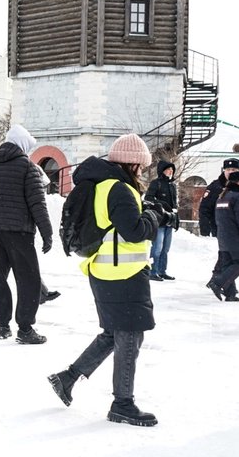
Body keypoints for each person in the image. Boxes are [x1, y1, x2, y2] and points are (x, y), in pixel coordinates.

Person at [47, 133, 170, 427]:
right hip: (122, 273)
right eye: (142, 165)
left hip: (106, 269)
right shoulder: (119, 190)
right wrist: (156, 216)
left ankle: (68, 378)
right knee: (130, 334)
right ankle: (122, 404)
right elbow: (134, 231)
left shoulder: (104, 185)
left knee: (115, 333)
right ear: (133, 164)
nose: (143, 171)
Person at [0, 124, 52, 344]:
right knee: (28, 279)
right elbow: (37, 203)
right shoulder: (27, 167)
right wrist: (47, 233)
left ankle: (2, 326)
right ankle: (25, 328)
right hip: (19, 231)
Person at [206, 171, 239, 302]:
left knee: (228, 264)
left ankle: (230, 293)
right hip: (237, 238)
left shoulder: (222, 196)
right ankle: (218, 282)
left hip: (223, 237)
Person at [145, 160, 178, 281]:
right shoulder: (156, 183)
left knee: (165, 248)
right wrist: (162, 204)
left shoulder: (173, 185)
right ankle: (152, 271)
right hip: (159, 219)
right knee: (157, 247)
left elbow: (174, 204)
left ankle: (162, 271)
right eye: (168, 169)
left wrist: (176, 219)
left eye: (172, 169)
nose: (170, 171)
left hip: (170, 219)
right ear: (162, 171)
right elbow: (149, 198)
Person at [198, 158, 239, 238]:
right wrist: (205, 233)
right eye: (228, 169)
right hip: (219, 233)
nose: (230, 172)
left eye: (234, 169)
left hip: (238, 234)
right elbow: (204, 210)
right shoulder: (214, 187)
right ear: (224, 171)